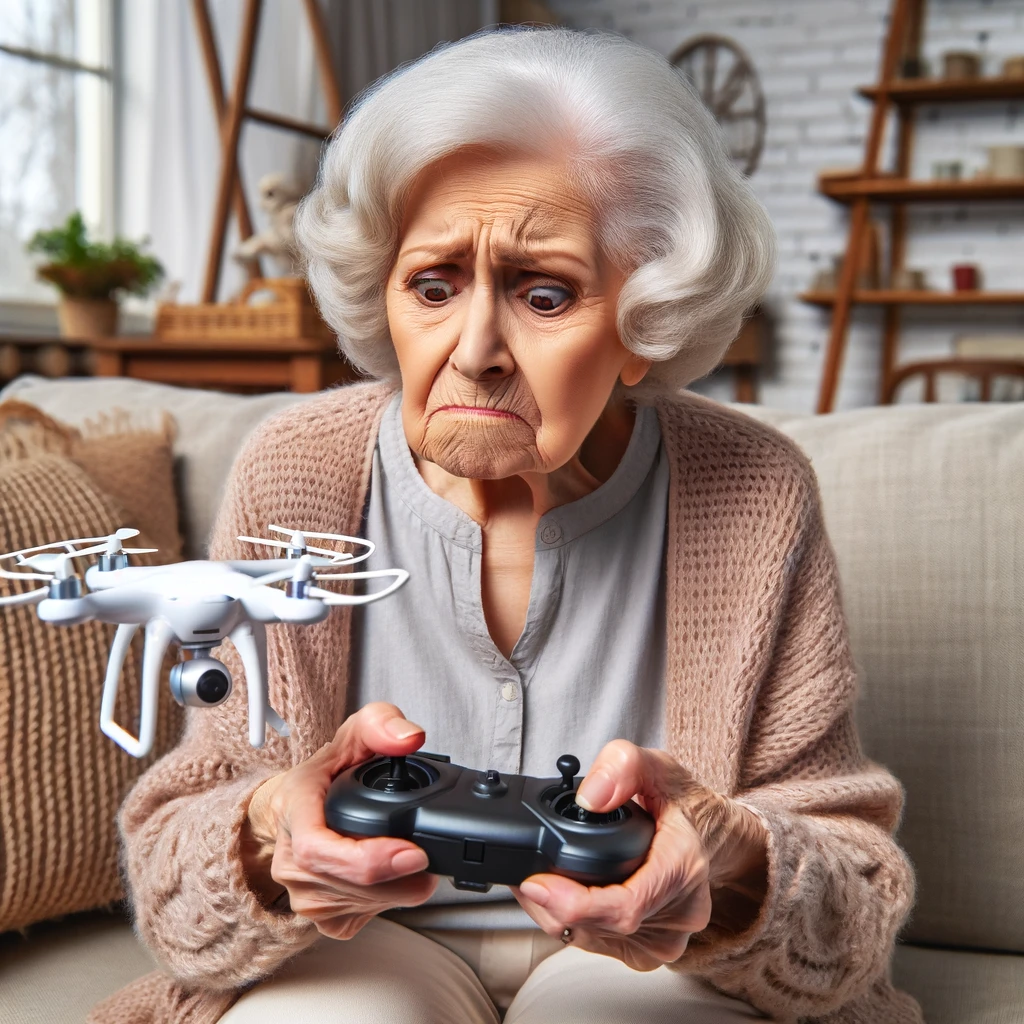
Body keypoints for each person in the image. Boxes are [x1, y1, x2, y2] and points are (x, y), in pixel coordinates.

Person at [90, 26, 923, 1024]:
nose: (474, 348)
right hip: (360, 944)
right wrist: (269, 831)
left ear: (643, 320)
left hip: (648, 961)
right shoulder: (292, 471)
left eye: (543, 293)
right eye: (433, 285)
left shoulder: (755, 491)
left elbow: (847, 886)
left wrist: (731, 860)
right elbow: (181, 846)